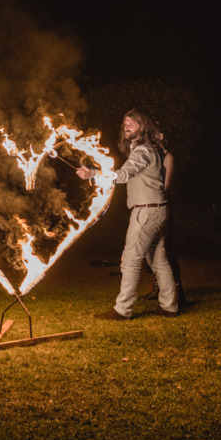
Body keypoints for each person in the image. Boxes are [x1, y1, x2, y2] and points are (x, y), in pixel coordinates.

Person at [77, 109, 180, 319]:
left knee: (130, 260)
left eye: (133, 122)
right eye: (125, 122)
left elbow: (123, 175)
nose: (127, 125)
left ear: (143, 127)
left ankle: (123, 310)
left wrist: (93, 174)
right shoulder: (149, 149)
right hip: (158, 210)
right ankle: (170, 306)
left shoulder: (143, 151)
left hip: (146, 212)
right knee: (158, 260)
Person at [142, 128, 186, 305]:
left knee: (164, 250)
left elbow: (165, 186)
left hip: (162, 206)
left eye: (155, 134)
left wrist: (153, 196)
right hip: (148, 207)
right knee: (149, 251)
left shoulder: (168, 157)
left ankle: (177, 291)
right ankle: (158, 286)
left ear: (162, 136)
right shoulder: (151, 156)